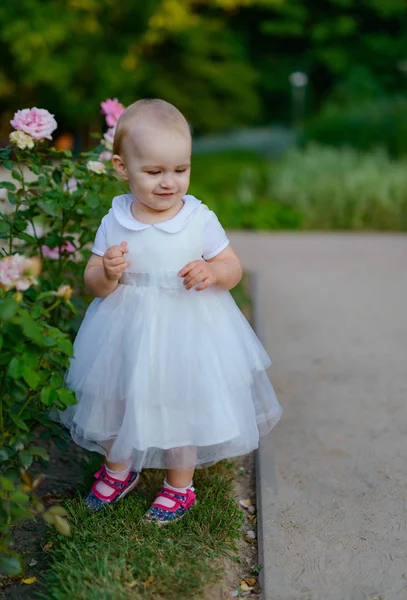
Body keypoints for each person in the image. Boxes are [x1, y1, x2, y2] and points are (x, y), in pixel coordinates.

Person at [55, 99, 282, 523]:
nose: (169, 183)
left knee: (182, 403)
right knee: (115, 397)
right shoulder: (116, 217)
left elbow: (232, 266)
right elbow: (93, 283)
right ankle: (119, 467)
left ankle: (180, 486)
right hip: (125, 326)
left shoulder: (198, 217)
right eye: (154, 172)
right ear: (123, 168)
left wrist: (213, 271)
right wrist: (107, 271)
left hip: (188, 328)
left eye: (180, 170)